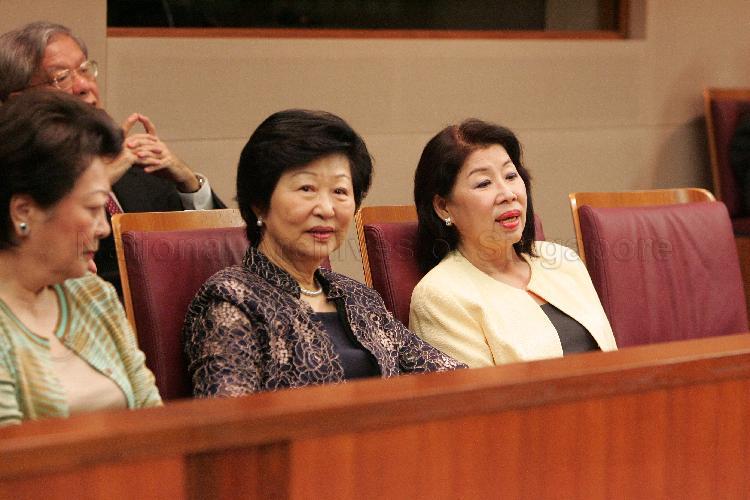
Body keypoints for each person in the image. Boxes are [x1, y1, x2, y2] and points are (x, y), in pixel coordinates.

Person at [183, 109, 465, 396]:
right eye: (307, 188)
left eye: (340, 192)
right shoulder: (231, 300)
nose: (326, 209)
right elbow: (229, 425)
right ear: (258, 202)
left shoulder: (357, 297)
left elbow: (450, 378)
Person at [0, 21, 225, 292]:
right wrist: (97, 181)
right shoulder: (12, 178)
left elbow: (225, 258)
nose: (84, 85)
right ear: (18, 100)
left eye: (84, 69)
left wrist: (191, 186)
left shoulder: (139, 166)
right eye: (61, 77)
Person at [0, 91, 162, 426]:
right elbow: (12, 464)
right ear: (23, 211)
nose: (104, 228)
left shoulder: (93, 295)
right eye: (91, 209)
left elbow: (153, 420)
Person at [409, 119, 617, 368]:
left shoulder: (562, 261)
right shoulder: (439, 296)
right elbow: (479, 401)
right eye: (484, 183)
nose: (508, 193)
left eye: (510, 175)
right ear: (443, 206)